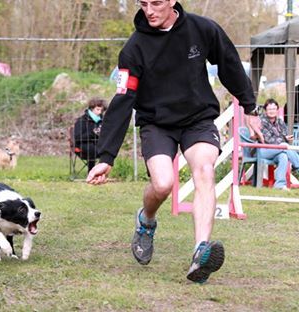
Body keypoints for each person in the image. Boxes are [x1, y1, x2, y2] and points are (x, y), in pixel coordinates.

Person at [86, 0, 259, 283]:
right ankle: (146, 220)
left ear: (171, 1)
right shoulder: (134, 48)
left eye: (156, 3)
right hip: (157, 123)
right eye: (143, 4)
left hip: (198, 119)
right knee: (163, 184)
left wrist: (250, 107)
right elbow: (123, 100)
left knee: (204, 169)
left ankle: (199, 252)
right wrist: (106, 157)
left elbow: (229, 65)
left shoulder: (202, 29)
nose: (149, 10)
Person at [258, 99, 299, 190]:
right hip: (264, 150)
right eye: (269, 109)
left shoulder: (280, 122)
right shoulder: (262, 121)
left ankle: (280, 185)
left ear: (277, 110)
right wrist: (284, 139)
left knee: (283, 156)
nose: (272, 111)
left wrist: (285, 139)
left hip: (278, 150)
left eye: (274, 109)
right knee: (284, 146)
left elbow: (287, 136)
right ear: (265, 110)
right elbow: (268, 139)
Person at [73, 98, 106, 172]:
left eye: (101, 110)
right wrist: (93, 133)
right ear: (91, 108)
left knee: (108, 148)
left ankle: (102, 172)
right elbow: (78, 137)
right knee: (91, 149)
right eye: (98, 109)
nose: (100, 112)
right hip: (82, 146)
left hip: (98, 144)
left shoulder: (103, 121)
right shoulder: (81, 120)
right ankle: (92, 172)